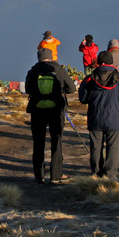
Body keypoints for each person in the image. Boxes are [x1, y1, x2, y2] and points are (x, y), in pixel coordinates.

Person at [78, 51, 119, 178]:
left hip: (95, 117)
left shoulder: (89, 79)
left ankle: (96, 173)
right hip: (116, 118)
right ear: (111, 62)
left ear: (98, 62)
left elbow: (83, 99)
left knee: (96, 148)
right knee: (113, 148)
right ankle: (110, 175)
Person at [26, 47, 77, 184]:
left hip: (37, 110)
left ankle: (39, 176)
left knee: (38, 142)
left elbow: (27, 89)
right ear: (51, 57)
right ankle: (56, 175)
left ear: (39, 57)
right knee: (56, 141)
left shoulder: (33, 71)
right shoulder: (59, 70)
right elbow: (71, 88)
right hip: (56, 109)